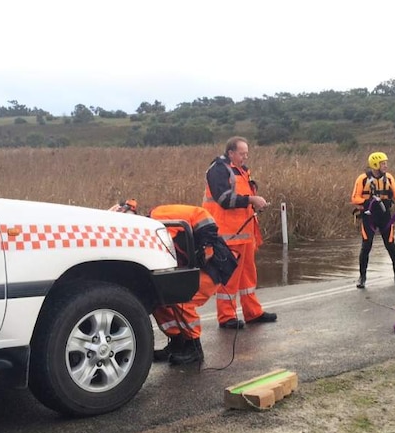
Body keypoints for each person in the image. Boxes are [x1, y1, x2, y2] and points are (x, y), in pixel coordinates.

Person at [109, 200, 238, 365]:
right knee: (160, 300)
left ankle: (194, 346)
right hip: (189, 269)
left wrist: (206, 246)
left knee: (182, 298)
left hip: (212, 265)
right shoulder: (140, 241)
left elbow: (201, 215)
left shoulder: (160, 216)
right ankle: (177, 342)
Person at [203, 136, 277, 329]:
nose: (245, 157)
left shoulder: (242, 171)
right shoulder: (218, 169)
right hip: (228, 234)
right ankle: (226, 317)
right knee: (229, 277)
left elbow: (241, 197)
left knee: (248, 277)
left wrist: (253, 201)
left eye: (246, 154)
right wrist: (252, 200)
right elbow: (224, 199)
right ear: (231, 153)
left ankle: (252, 312)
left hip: (244, 233)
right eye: (242, 154)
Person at [350, 151, 395, 288]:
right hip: (369, 216)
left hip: (385, 216)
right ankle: (362, 277)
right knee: (366, 246)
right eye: (383, 163)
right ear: (375, 164)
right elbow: (354, 198)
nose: (386, 166)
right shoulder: (362, 179)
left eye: (386, 163)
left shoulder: (389, 178)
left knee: (390, 244)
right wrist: (368, 202)